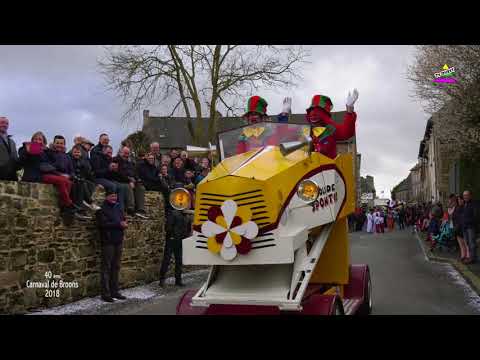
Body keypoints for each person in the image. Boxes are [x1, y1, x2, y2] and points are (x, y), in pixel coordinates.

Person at [305, 90, 358, 158]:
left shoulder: (330, 129)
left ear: (324, 115)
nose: (313, 115)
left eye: (317, 112)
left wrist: (349, 110)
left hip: (328, 166)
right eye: (311, 111)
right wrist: (286, 116)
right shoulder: (307, 131)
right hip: (310, 166)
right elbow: (290, 137)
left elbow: (346, 132)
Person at [96, 189, 128, 303]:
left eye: (115, 196)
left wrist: (124, 222)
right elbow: (102, 224)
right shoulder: (101, 210)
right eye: (112, 196)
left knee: (116, 267)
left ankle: (115, 291)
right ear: (106, 197)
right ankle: (106, 293)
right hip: (108, 242)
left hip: (118, 240)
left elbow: (122, 218)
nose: (114, 198)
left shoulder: (118, 208)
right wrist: (118, 224)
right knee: (106, 268)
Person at [41, 135, 84, 218]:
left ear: (64, 145)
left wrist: (70, 176)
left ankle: (73, 208)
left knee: (74, 182)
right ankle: (68, 206)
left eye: (61, 143)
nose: (59, 145)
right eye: (57, 143)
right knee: (64, 181)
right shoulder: (49, 153)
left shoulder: (67, 157)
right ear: (53, 143)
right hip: (52, 175)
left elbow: (71, 170)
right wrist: (60, 174)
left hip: (65, 177)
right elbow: (47, 166)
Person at [113, 146, 148, 219]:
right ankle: (131, 208)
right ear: (121, 152)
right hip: (120, 180)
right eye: (125, 153)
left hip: (131, 180)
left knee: (141, 187)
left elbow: (134, 173)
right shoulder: (116, 160)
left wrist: (137, 179)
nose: (126, 155)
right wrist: (129, 180)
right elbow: (118, 173)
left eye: (128, 153)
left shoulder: (130, 163)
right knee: (129, 186)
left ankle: (140, 210)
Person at [69, 144, 100, 214]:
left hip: (82, 178)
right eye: (75, 152)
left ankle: (86, 202)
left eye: (78, 152)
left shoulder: (83, 160)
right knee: (82, 183)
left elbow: (88, 172)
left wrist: (85, 165)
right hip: (74, 179)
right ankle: (90, 202)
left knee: (91, 184)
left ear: (81, 153)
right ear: (72, 152)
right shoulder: (70, 159)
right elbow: (71, 170)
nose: (76, 154)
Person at [0, 116, 19, 181]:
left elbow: (15, 157)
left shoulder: (12, 142)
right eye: (2, 122)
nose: (4, 125)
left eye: (6, 123)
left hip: (12, 174)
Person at [462, 190, 478, 264]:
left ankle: (473, 258)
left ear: (470, 196)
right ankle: (472, 257)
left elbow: (475, 216)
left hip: (471, 226)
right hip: (465, 227)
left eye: (466, 195)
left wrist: (468, 221)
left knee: (472, 243)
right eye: (464, 195)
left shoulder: (473, 204)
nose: (465, 197)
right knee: (468, 243)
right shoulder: (465, 204)